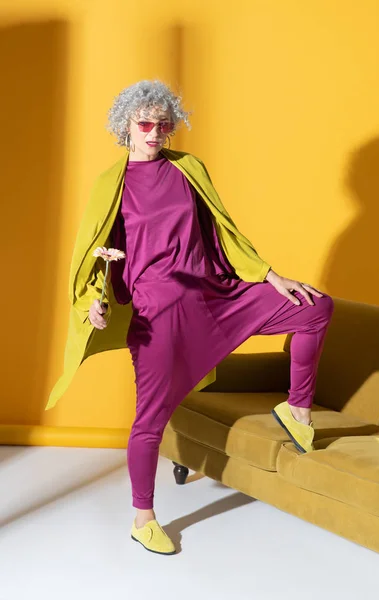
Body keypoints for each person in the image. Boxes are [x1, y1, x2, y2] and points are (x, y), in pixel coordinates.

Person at [61, 79, 334, 556]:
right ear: (124, 125)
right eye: (144, 123)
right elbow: (95, 257)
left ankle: (297, 410)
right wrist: (94, 305)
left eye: (163, 125)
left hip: (214, 293)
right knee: (149, 419)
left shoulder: (188, 168)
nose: (154, 133)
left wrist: (270, 277)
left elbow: (226, 230)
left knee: (315, 308)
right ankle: (143, 517)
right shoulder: (112, 183)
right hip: (158, 310)